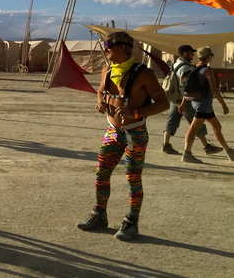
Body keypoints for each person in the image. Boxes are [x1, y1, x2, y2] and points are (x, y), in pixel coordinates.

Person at [77, 31, 168, 242]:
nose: (105, 47)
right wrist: (100, 102)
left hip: (135, 133)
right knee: (101, 173)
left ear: (123, 47)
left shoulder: (144, 74)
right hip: (113, 131)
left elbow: (163, 103)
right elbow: (100, 90)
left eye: (109, 44)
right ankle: (99, 215)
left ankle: (131, 222)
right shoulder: (107, 70)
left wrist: (135, 113)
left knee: (132, 178)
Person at [162, 44, 221, 155]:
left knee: (172, 121)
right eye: (190, 52)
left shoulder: (176, 63)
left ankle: (166, 144)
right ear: (184, 53)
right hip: (184, 99)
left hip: (176, 98)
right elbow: (185, 86)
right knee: (196, 124)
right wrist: (186, 100)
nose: (193, 54)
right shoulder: (185, 67)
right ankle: (205, 146)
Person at [181, 47, 234, 163]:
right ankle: (187, 153)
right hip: (203, 104)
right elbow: (214, 90)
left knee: (217, 127)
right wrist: (224, 105)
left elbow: (188, 88)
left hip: (198, 102)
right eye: (211, 55)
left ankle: (229, 151)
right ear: (208, 57)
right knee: (194, 128)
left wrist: (183, 103)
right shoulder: (207, 71)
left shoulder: (194, 68)